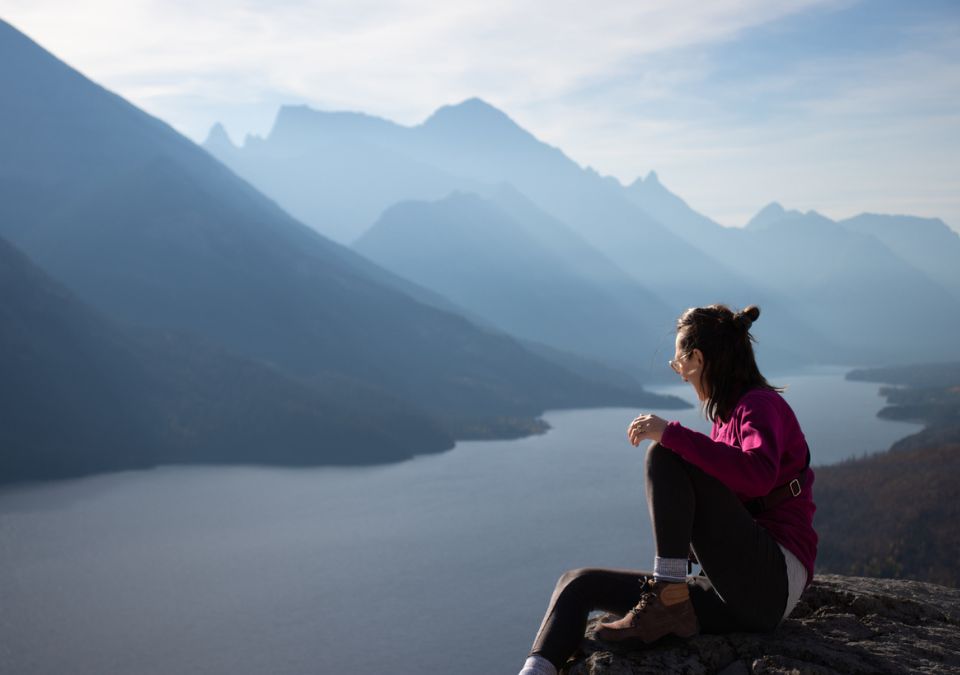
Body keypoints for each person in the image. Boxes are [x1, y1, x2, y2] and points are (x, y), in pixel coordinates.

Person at [518, 304, 817, 675]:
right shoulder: (727, 418)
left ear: (698, 358)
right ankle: (535, 669)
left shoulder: (758, 405)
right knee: (577, 583)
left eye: (678, 364)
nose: (679, 375)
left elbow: (758, 475)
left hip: (771, 582)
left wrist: (670, 434)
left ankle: (668, 598)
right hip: (734, 589)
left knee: (665, 453)